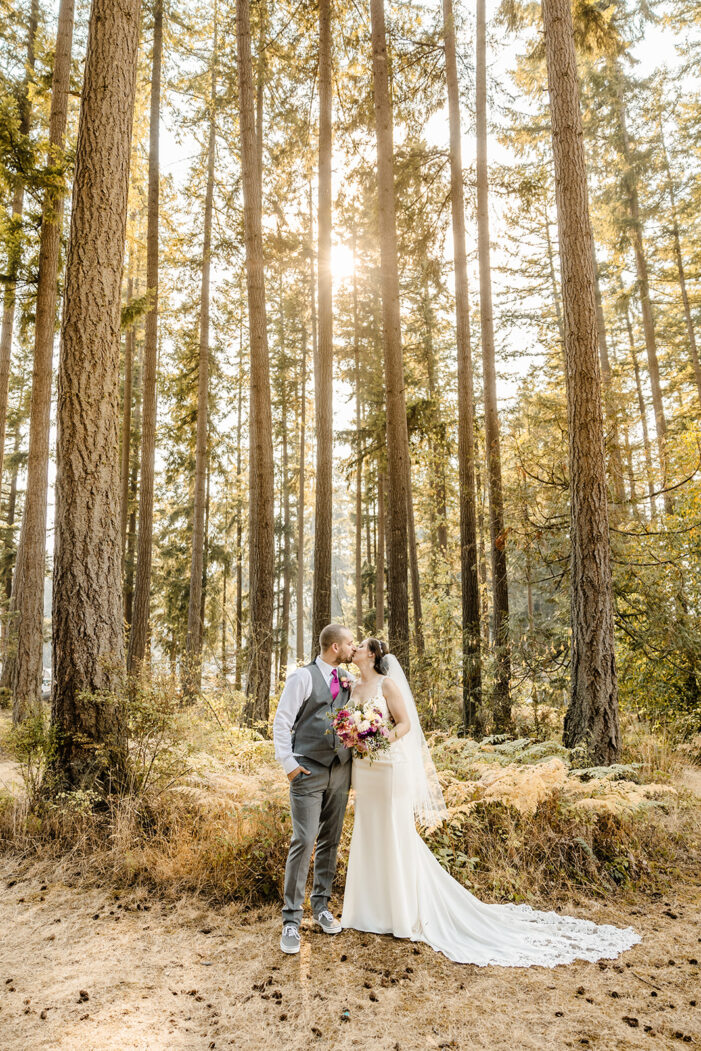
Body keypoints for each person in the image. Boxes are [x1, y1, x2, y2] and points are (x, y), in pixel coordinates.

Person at [341, 638, 641, 967]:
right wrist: (354, 736)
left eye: (359, 646)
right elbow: (346, 723)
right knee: (369, 831)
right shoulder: (353, 686)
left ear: (371, 654)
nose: (353, 649)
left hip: (388, 769)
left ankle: (399, 912)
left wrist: (380, 738)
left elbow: (405, 724)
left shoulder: (389, 685)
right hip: (364, 769)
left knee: (393, 833)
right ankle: (366, 910)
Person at [273, 623, 355, 955]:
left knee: (330, 840)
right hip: (307, 771)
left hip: (341, 770)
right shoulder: (302, 678)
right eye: (349, 643)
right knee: (303, 840)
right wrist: (289, 766)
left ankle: (321, 905)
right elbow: (282, 721)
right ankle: (291, 920)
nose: (353, 648)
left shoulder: (348, 681)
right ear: (334, 647)